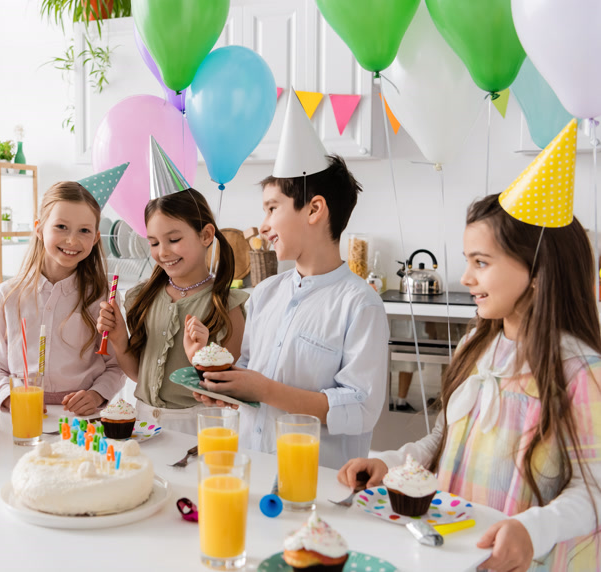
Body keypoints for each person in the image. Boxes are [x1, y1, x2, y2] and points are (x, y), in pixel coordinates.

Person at [340, 121, 601, 571]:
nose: (465, 278)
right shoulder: (475, 349)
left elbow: (593, 490)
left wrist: (532, 529)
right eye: (468, 261)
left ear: (537, 272)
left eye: (481, 263)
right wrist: (392, 465)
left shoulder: (580, 372)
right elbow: (443, 440)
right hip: (458, 553)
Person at [192, 92, 388, 469]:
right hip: (252, 466)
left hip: (319, 481)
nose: (263, 225)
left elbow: (360, 408)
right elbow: (248, 371)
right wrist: (226, 389)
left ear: (314, 209)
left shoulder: (360, 304)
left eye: (272, 208)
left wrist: (265, 390)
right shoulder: (265, 293)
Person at [95, 187, 247, 434]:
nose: (163, 252)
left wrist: (200, 357)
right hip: (143, 421)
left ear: (206, 235)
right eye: (154, 242)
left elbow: (228, 389)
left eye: (174, 240)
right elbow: (139, 374)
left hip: (199, 426)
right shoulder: (143, 298)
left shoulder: (226, 305)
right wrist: (119, 340)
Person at [0, 180, 125, 416]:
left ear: (96, 237)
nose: (72, 240)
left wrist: (96, 394)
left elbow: (116, 364)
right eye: (61, 226)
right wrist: (9, 397)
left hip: (81, 418)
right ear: (39, 229)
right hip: (22, 413)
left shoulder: (103, 297)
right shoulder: (7, 295)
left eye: (84, 231)